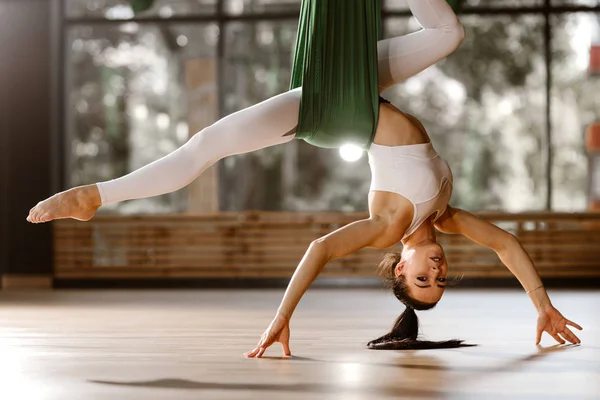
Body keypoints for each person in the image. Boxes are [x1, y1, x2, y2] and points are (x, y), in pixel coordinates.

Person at [27, 0, 582, 356]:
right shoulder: (445, 216)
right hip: (360, 86)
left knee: (206, 148)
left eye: (420, 281)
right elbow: (507, 244)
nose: (435, 271)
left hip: (327, 108)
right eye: (440, 280)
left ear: (398, 267)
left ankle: (95, 195)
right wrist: (541, 304)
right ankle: (96, 195)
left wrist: (281, 316)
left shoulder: (386, 227)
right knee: (446, 31)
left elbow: (319, 249)